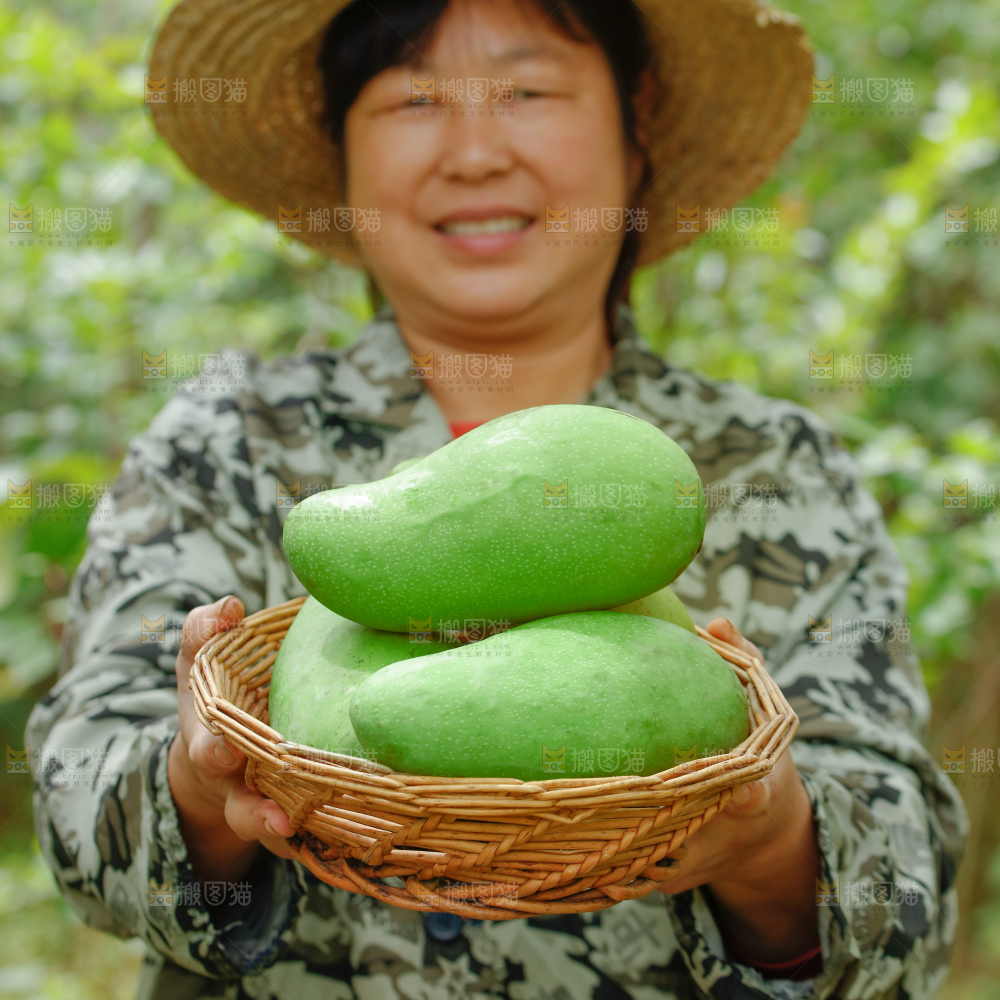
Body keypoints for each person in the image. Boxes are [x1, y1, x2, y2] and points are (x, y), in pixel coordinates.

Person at [28, 0, 968, 997]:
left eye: (527, 90)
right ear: (341, 150)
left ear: (632, 122)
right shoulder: (224, 447)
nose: (474, 152)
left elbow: (904, 902)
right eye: (412, 99)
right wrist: (202, 790)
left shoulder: (777, 468)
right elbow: (76, 807)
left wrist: (770, 842)